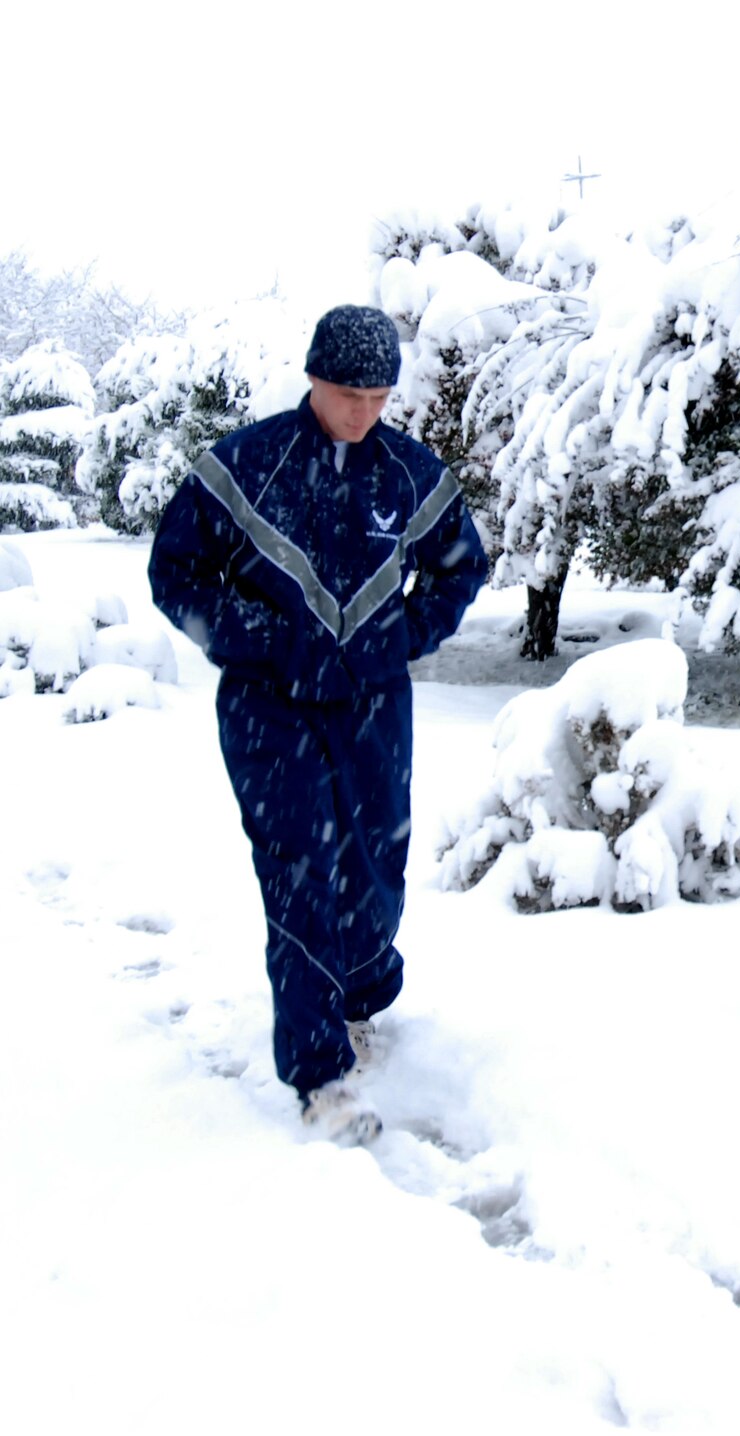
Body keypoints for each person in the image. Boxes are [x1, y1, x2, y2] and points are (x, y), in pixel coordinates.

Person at [149, 305, 486, 1144]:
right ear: (313, 378)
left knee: (376, 869)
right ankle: (321, 1074)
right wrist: (260, 640)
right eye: (347, 393)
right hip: (270, 709)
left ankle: (361, 994)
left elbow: (460, 566)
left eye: (378, 396)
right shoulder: (243, 467)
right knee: (298, 873)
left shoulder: (412, 476)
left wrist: (406, 635)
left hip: (373, 708)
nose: (362, 412)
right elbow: (175, 574)